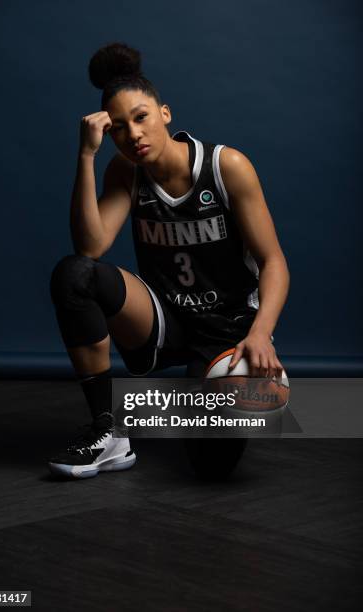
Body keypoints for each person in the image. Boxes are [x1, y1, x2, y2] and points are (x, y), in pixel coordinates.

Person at [48, 42, 290, 479]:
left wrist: (261, 334)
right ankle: (108, 432)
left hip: (227, 329)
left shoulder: (226, 166)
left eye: (141, 118)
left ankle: (193, 398)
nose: (133, 135)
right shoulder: (124, 170)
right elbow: (90, 247)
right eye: (119, 128)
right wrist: (87, 155)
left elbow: (273, 262)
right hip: (164, 319)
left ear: (165, 113)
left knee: (212, 467)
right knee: (75, 275)